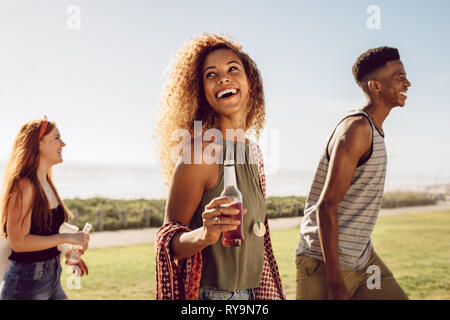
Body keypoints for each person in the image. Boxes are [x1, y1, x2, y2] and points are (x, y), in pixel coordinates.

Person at [154, 33, 285, 300]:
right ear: (201, 92)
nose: (223, 78)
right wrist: (205, 234)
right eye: (211, 74)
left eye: (232, 69)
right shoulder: (200, 152)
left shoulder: (253, 152)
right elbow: (168, 242)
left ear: (251, 83)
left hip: (251, 295)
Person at [296, 47, 411, 300]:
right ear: (376, 86)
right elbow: (326, 207)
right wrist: (335, 283)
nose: (408, 83)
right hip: (326, 263)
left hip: (362, 258)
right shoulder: (358, 129)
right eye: (400, 77)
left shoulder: (374, 129)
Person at [0, 117, 90, 300]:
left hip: (52, 278)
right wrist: (68, 237)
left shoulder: (47, 183)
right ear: (38, 144)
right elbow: (19, 242)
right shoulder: (23, 186)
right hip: (25, 284)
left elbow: (47, 229)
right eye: (56, 138)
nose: (63, 144)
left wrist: (69, 250)